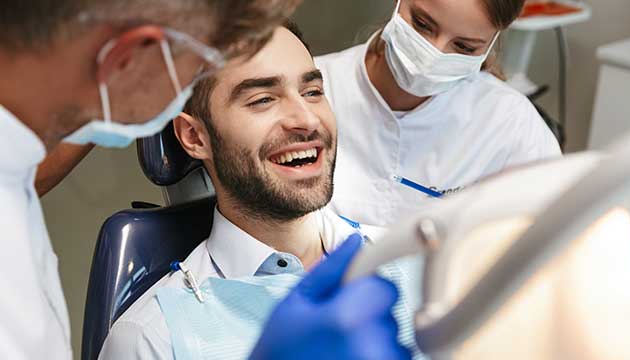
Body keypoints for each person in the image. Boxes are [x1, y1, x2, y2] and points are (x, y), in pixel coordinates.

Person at [1, 1, 409, 359]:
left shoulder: (421, 264)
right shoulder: (155, 336)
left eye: (314, 90)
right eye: (261, 99)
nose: (304, 119)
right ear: (194, 136)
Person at [315, 0, 562, 227]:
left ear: (489, 44)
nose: (434, 55)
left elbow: (551, 241)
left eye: (464, 47)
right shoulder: (314, 88)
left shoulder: (511, 123)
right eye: (422, 25)